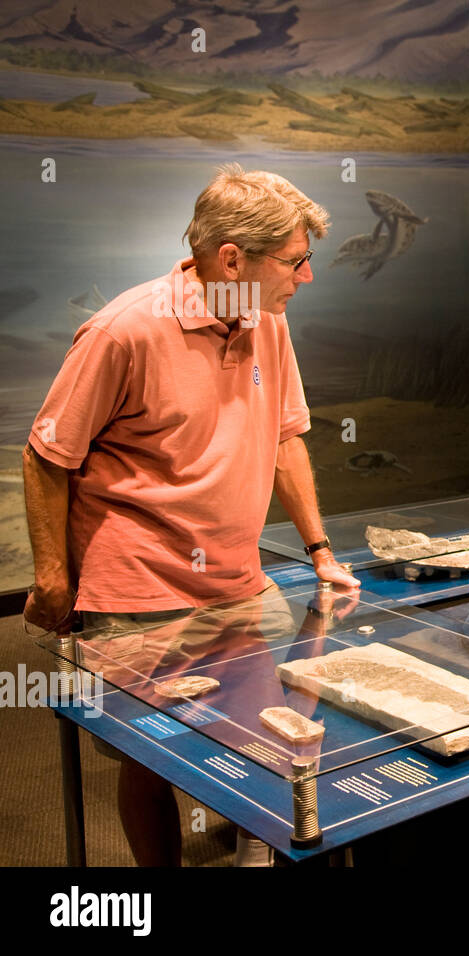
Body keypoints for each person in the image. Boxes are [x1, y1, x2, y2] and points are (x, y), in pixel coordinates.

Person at [23, 164, 360, 865]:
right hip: (137, 588)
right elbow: (48, 454)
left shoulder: (265, 322)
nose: (306, 278)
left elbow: (284, 436)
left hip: (236, 582)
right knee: (150, 757)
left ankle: (252, 852)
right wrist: (54, 576)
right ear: (232, 259)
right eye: (295, 262)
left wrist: (320, 548)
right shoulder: (123, 330)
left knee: (266, 731)